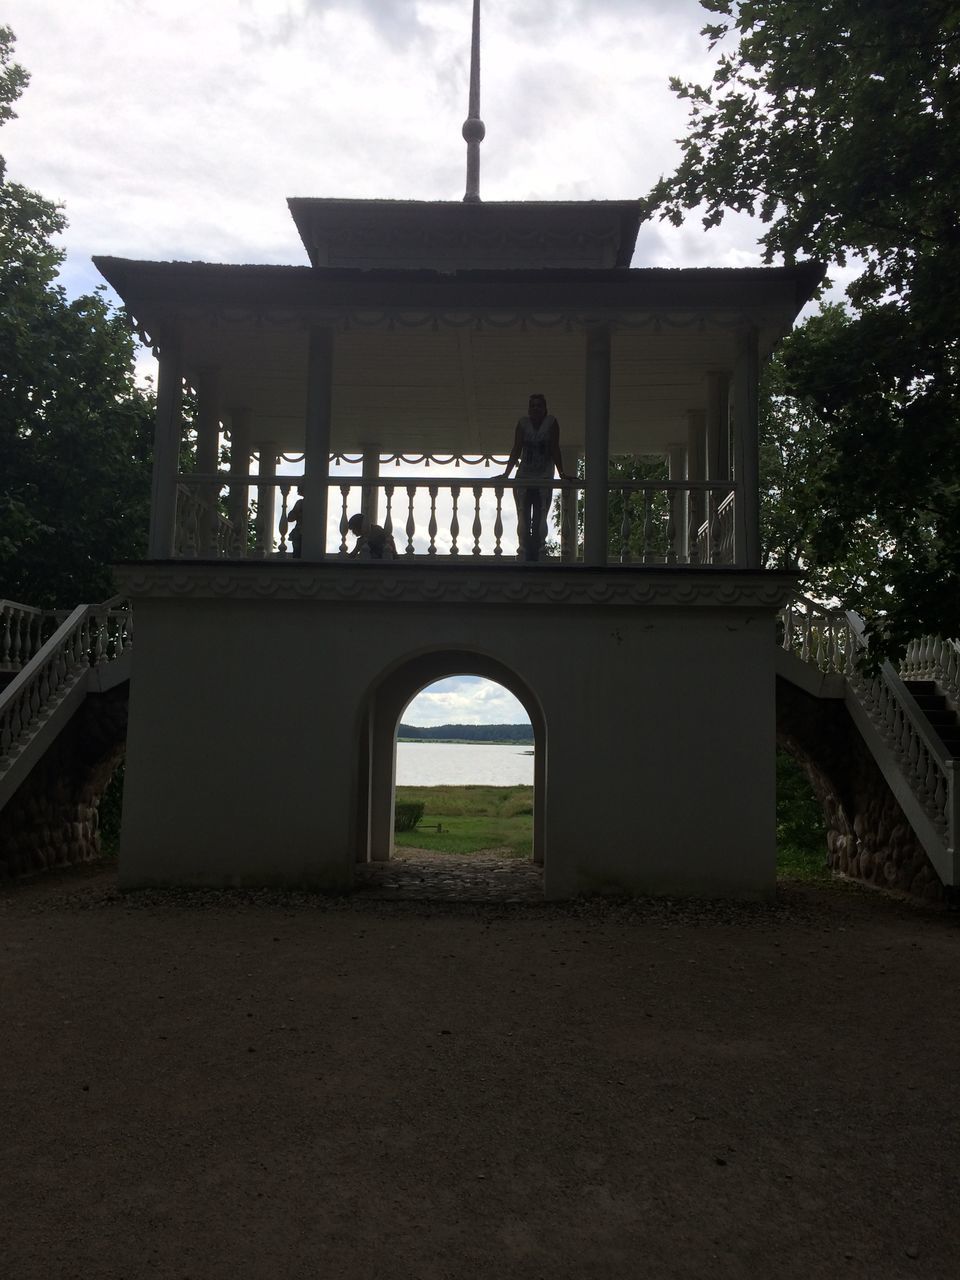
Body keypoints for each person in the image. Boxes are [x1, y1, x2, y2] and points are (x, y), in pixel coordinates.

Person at [501, 392, 572, 561]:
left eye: (539, 405)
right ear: (528, 409)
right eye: (532, 406)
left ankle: (538, 549)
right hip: (524, 474)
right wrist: (506, 473)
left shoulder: (551, 423)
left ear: (545, 409)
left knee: (541, 514)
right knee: (522, 513)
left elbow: (555, 448)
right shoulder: (522, 424)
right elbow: (517, 448)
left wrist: (562, 473)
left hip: (544, 475)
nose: (535, 408)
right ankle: (525, 550)